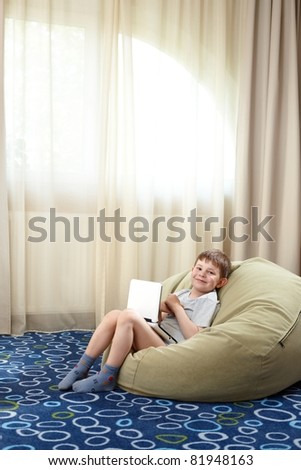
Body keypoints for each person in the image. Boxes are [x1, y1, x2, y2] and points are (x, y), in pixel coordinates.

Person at [58, 248, 231, 393]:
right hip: (159, 333)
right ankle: (81, 367)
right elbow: (163, 320)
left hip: (171, 348)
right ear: (192, 270)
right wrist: (156, 309)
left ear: (221, 282)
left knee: (128, 315)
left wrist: (178, 308)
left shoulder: (208, 300)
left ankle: (107, 376)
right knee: (114, 315)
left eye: (210, 273)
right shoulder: (182, 294)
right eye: (199, 269)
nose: (202, 275)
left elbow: (194, 336)